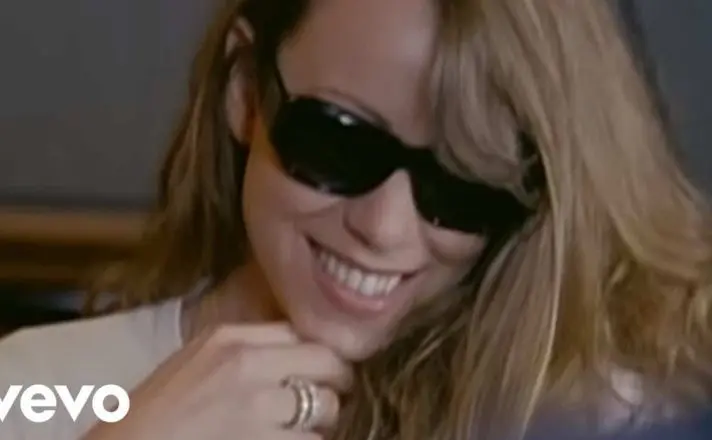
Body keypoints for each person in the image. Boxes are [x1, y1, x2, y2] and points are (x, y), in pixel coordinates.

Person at [1, 0, 711, 439]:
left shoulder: (601, 412)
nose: (385, 228)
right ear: (246, 90)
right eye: (341, 143)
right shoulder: (30, 389)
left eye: (459, 184)